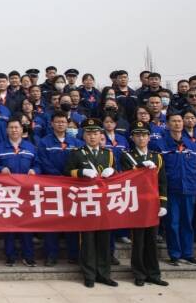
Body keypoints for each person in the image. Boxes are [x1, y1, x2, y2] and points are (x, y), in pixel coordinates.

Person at [65, 118, 118, 288]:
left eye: (95, 133)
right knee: (87, 240)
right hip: (86, 202)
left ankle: (104, 274)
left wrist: (113, 171)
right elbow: (67, 172)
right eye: (89, 133)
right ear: (84, 136)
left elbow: (117, 176)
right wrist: (81, 172)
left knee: (104, 240)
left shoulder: (108, 154)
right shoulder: (77, 153)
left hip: (104, 203)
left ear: (101, 135)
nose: (92, 136)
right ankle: (89, 274)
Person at [120, 125, 169, 286]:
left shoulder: (157, 157)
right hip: (136, 203)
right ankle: (139, 274)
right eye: (137, 135)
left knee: (152, 241)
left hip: (152, 204)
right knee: (138, 241)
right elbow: (126, 177)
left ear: (149, 137)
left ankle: (154, 274)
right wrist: (141, 166)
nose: (141, 138)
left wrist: (163, 203)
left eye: (144, 135)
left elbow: (162, 182)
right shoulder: (127, 156)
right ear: (132, 138)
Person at [37, 112, 83, 266]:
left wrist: (69, 176)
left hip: (72, 187)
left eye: (63, 122)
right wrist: (59, 176)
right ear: (52, 124)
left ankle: (74, 254)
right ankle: (51, 255)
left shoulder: (76, 143)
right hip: (52, 187)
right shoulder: (44, 142)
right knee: (51, 222)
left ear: (67, 124)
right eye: (57, 122)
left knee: (72, 221)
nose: (60, 124)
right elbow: (43, 162)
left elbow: (80, 162)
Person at [0, 116, 39, 267]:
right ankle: (10, 255)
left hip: (27, 191)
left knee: (27, 225)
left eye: (17, 127)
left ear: (22, 129)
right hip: (8, 192)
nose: (14, 130)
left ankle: (28, 256)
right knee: (9, 225)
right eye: (11, 127)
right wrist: (0, 169)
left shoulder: (30, 147)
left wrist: (35, 170)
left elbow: (38, 164)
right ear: (7, 130)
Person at [159, 113, 196, 266]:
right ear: (167, 124)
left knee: (187, 223)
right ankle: (175, 254)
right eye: (174, 121)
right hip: (171, 190)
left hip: (189, 189)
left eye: (179, 121)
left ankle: (188, 254)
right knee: (173, 223)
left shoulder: (192, 145)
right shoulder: (161, 145)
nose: (177, 124)